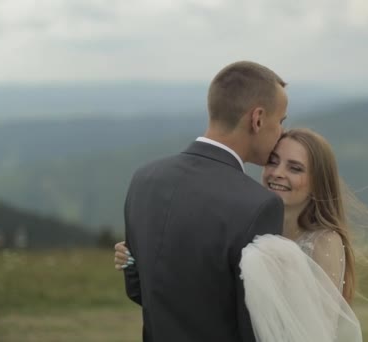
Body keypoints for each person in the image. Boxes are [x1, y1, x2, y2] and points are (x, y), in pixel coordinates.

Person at [117, 128, 367, 340]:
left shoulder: (325, 241)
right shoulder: (253, 224)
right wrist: (135, 260)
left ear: (317, 182)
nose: (278, 172)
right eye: (273, 161)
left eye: (295, 168)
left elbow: (318, 332)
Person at [121, 60, 288, 342]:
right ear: (257, 119)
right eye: (280, 122)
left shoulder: (143, 179)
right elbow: (256, 326)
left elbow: (138, 288)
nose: (281, 133)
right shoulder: (259, 205)